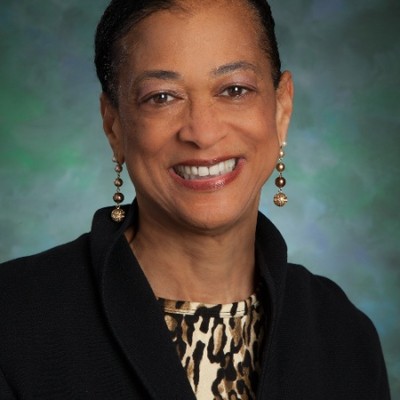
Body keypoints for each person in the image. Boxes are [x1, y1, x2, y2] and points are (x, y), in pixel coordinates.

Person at [0, 0, 391, 398]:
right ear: (113, 125)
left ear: (281, 109)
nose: (202, 133)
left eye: (234, 90)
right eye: (162, 97)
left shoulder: (343, 333)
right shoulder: (12, 317)